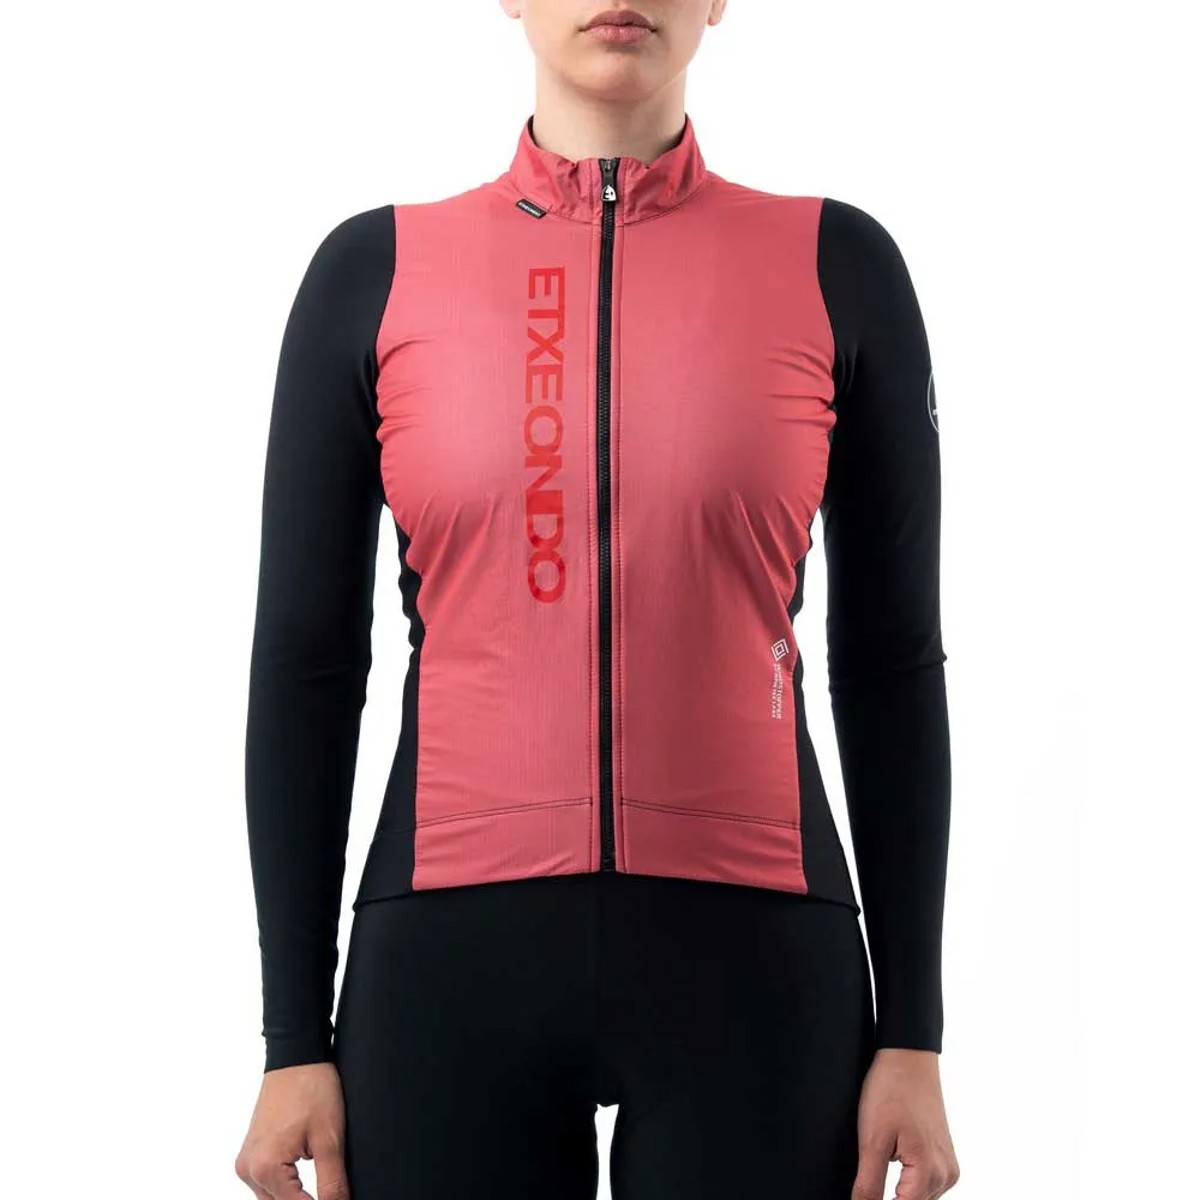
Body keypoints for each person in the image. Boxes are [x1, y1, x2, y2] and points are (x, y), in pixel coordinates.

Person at [234, 2, 960, 1197]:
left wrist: (915, 1032)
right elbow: (307, 665)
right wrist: (291, 1041)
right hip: (448, 974)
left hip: (761, 968)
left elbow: (891, 663)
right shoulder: (376, 271)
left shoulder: (837, 264)